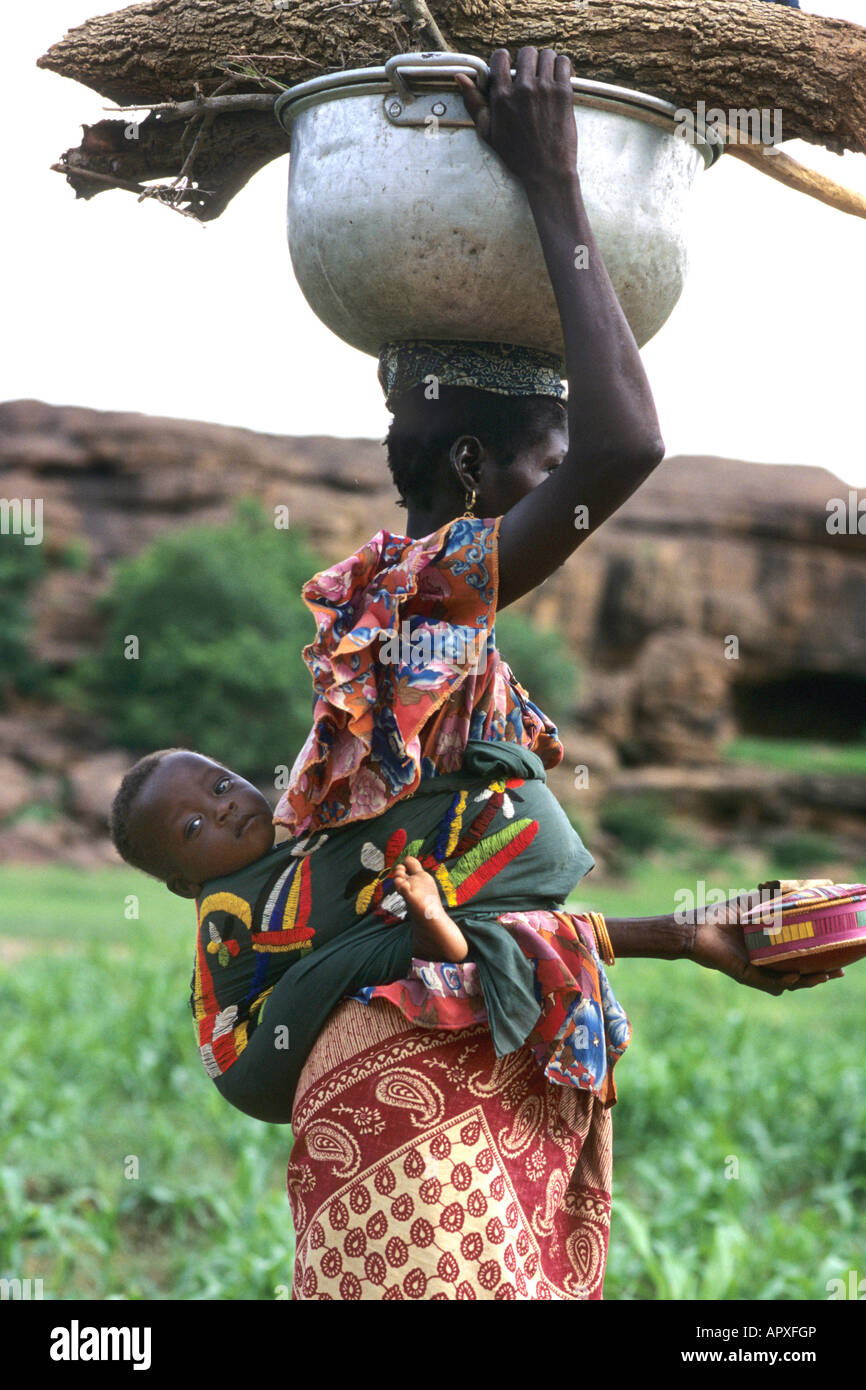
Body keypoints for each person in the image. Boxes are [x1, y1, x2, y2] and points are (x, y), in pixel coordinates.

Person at [116, 47, 837, 1300]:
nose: (562, 486)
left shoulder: (409, 647)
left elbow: (448, 923)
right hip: (412, 1099)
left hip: (435, 1076)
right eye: (538, 457)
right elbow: (632, 443)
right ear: (467, 468)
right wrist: (556, 186)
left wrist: (691, 935)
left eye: (558, 455)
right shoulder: (420, 608)